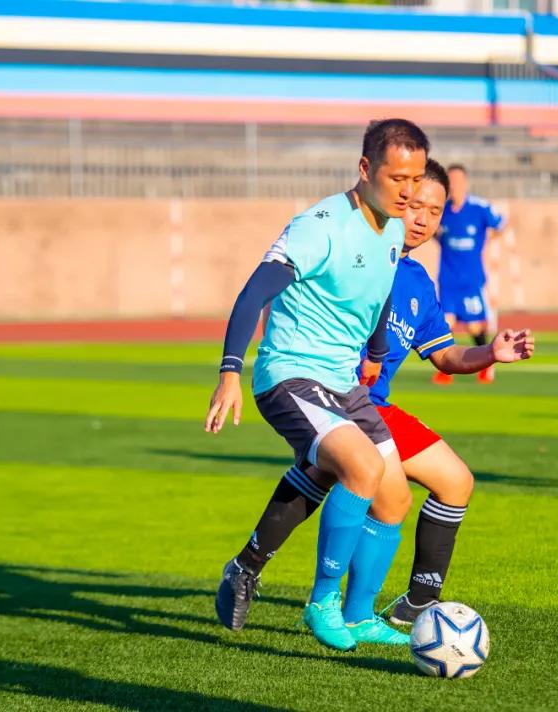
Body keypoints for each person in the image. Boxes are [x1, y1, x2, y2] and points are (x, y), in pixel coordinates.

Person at [210, 160, 535, 648]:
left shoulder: (418, 281)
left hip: (364, 403)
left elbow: (444, 355)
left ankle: (261, 570)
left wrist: (491, 352)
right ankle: (341, 603)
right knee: (380, 480)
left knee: (344, 477)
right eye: (415, 203)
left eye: (435, 210)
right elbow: (275, 289)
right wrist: (233, 368)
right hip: (326, 391)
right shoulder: (349, 242)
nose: (422, 218)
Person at [206, 118, 427, 653]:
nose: (409, 192)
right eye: (398, 178)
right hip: (290, 374)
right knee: (361, 467)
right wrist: (230, 371)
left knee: (395, 498)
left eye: (416, 179)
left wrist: (376, 353)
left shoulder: (395, 228)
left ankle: (356, 614)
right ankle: (321, 604)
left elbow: (378, 294)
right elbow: (253, 293)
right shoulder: (318, 225)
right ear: (365, 169)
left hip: (343, 379)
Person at [432, 163, 508, 385]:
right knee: (446, 323)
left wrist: (486, 241)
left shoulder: (478, 208)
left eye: (457, 181)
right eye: (451, 181)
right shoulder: (442, 210)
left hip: (471, 278)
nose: (454, 186)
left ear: (465, 183)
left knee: (475, 326)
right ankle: (445, 369)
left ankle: (486, 364)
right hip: (447, 278)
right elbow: (434, 233)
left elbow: (501, 224)